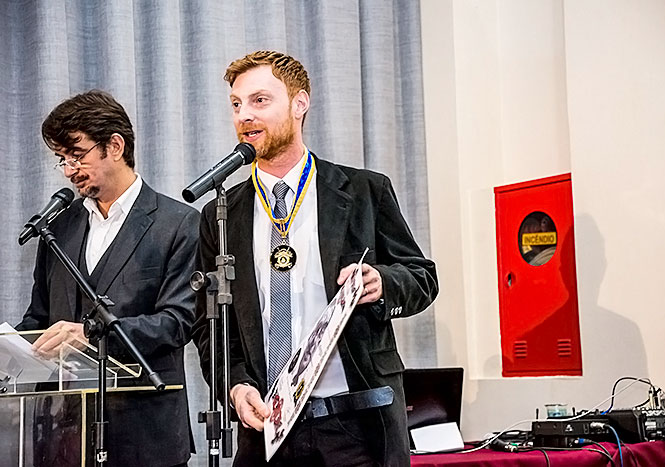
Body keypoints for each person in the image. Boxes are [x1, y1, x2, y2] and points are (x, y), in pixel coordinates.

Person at [192, 50, 438, 466]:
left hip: (356, 425)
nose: (244, 115)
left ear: (299, 103)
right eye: (236, 104)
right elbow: (208, 324)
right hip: (267, 429)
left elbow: (421, 277)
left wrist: (382, 282)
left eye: (260, 100)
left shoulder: (364, 191)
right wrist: (234, 385)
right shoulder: (222, 213)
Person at [17, 90, 199, 467]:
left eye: (77, 155)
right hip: (63, 437)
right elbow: (39, 319)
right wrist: (12, 349)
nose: (69, 170)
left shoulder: (179, 224)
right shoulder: (57, 229)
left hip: (147, 436)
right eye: (61, 160)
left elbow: (178, 322)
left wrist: (90, 334)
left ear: (114, 146)